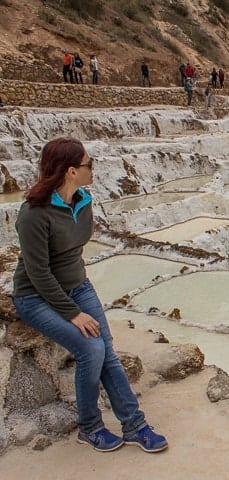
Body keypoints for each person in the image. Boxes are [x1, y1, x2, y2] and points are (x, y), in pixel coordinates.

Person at [12, 138, 168, 453]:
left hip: (78, 286)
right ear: (71, 171)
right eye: (88, 164)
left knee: (106, 351)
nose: (92, 168)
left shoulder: (83, 202)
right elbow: (39, 274)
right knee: (91, 349)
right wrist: (72, 312)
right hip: (35, 297)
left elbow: (72, 253)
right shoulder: (33, 214)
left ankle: (135, 426)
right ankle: (90, 427)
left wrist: (76, 296)